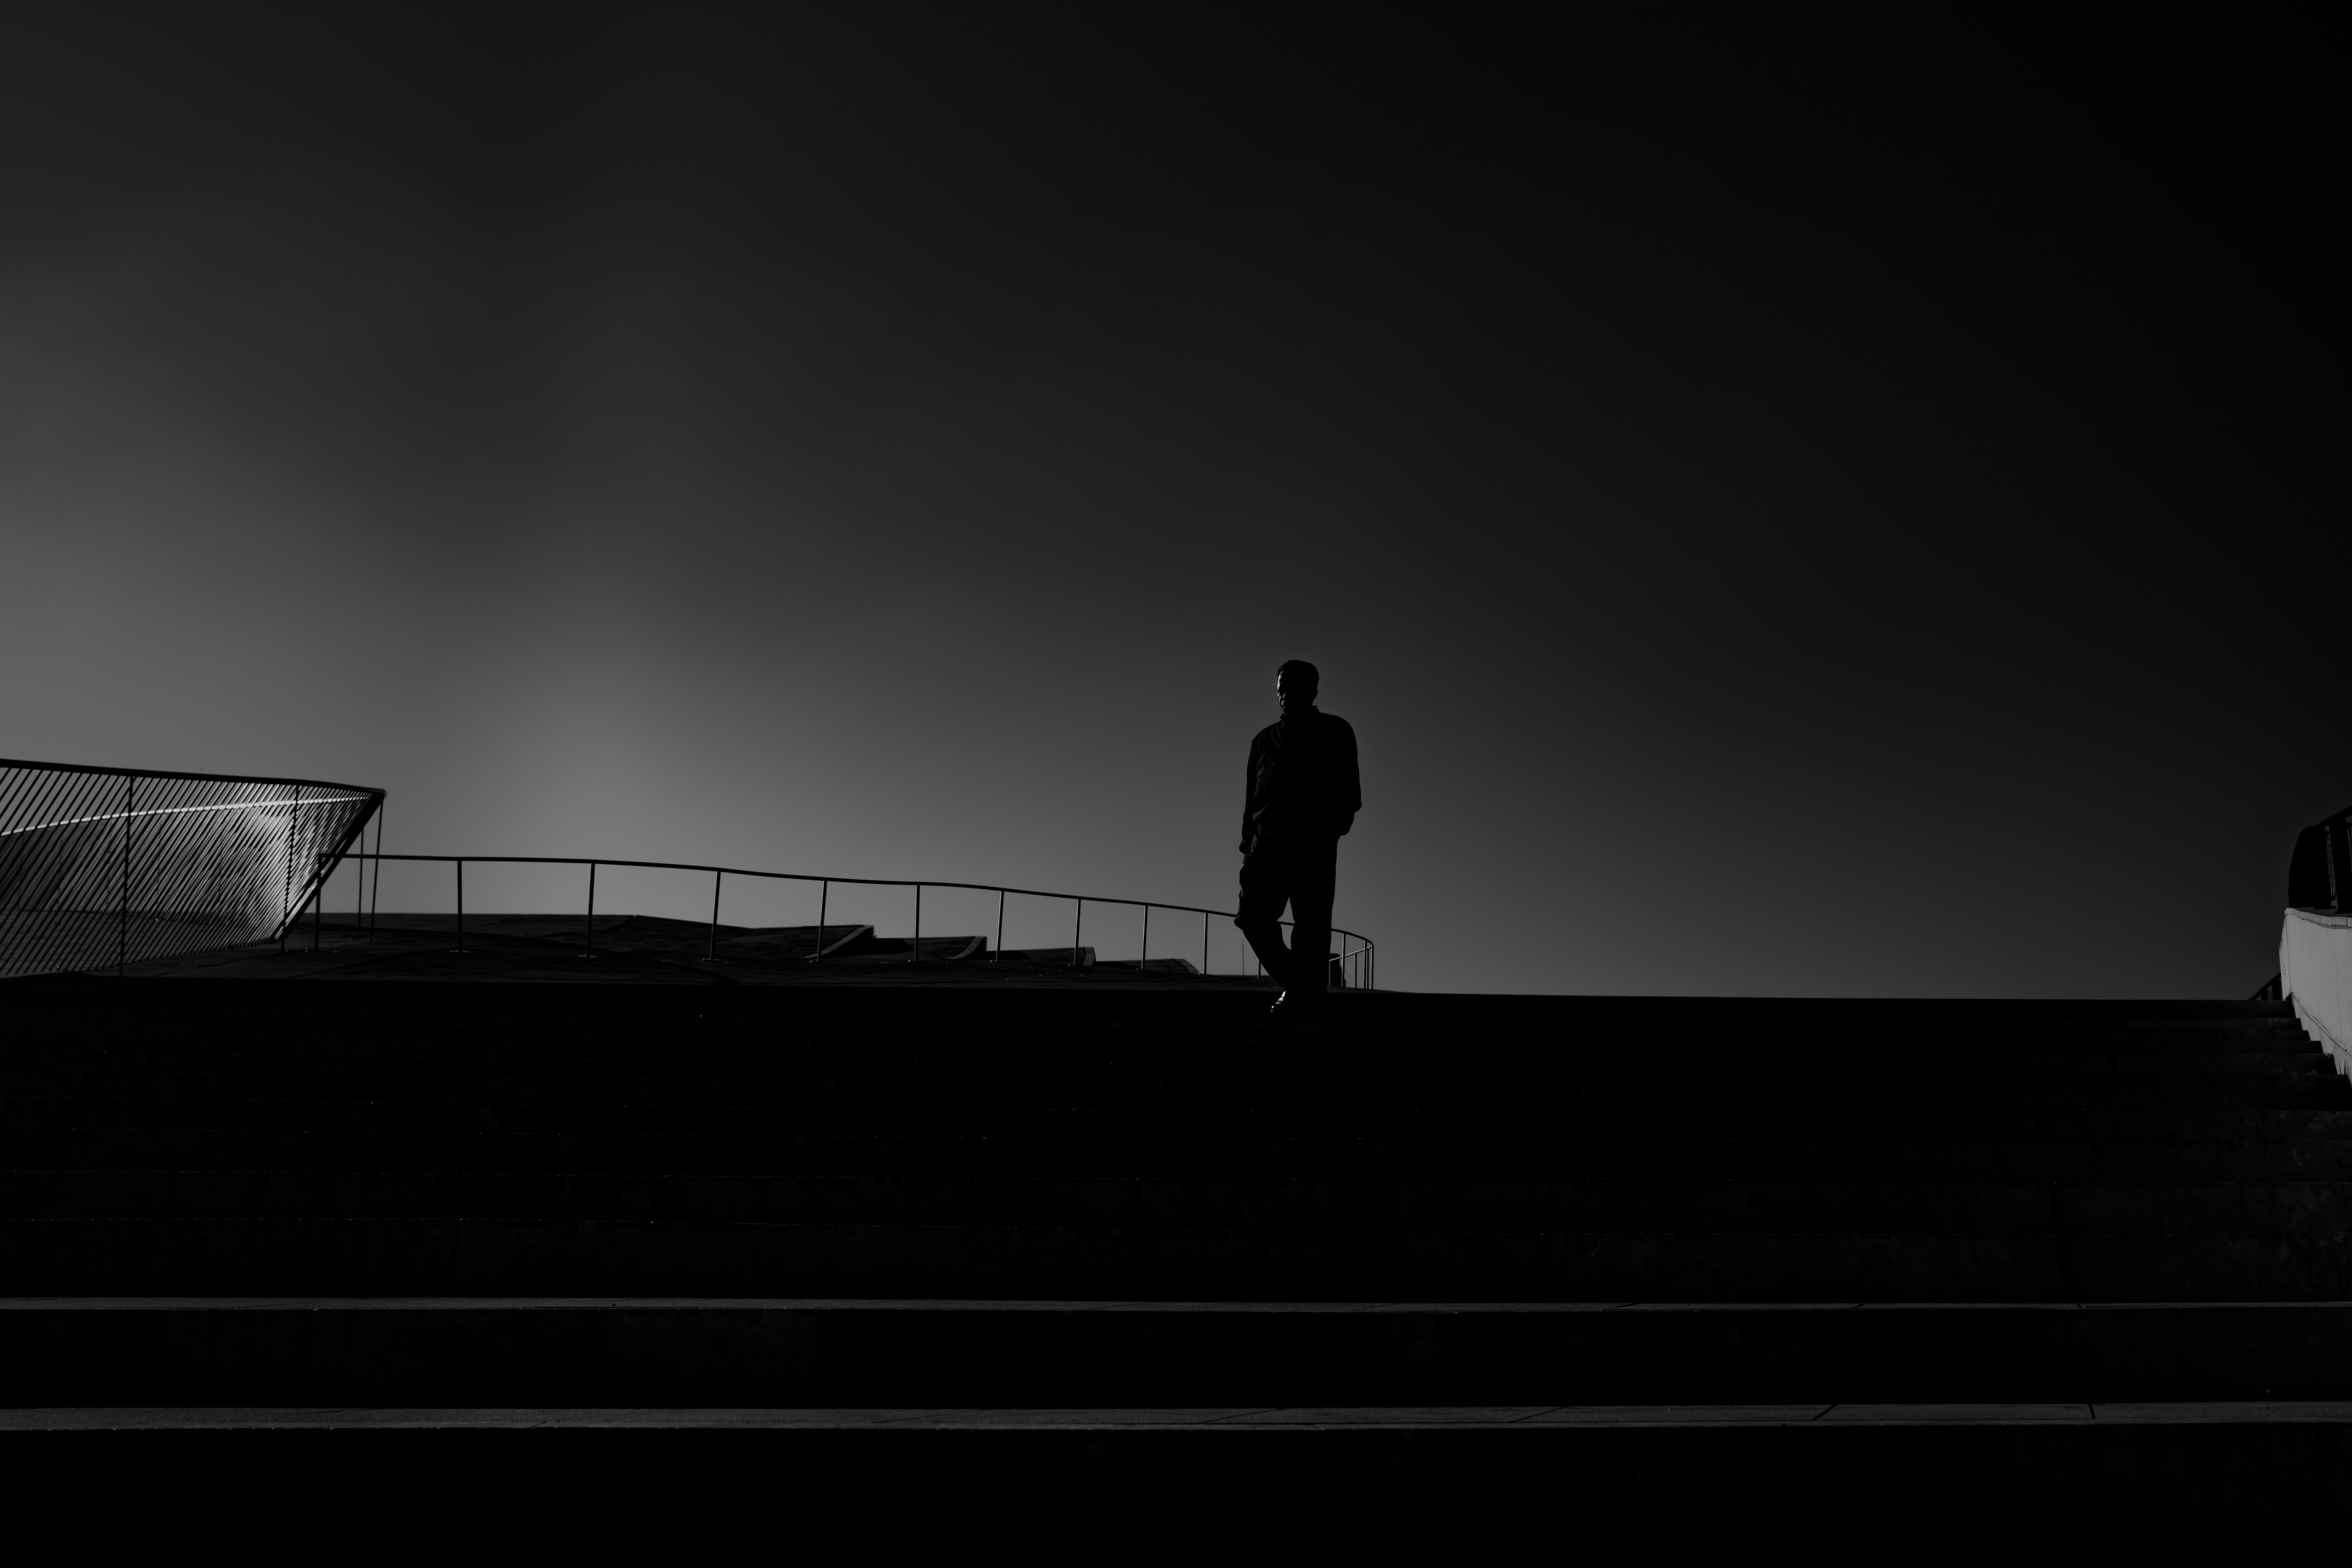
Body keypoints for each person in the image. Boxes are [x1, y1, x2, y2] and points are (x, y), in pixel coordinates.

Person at [1236, 659, 1360, 1019]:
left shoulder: (1336, 730)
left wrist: (1327, 832)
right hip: (1265, 845)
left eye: (1293, 688)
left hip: (1312, 844)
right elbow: (1251, 799)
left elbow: (1350, 793)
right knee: (1251, 917)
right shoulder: (1263, 740)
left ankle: (1307, 999)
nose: (1285, 696)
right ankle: (1299, 984)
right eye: (1281, 690)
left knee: (1311, 928)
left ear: (1313, 691)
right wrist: (1248, 843)